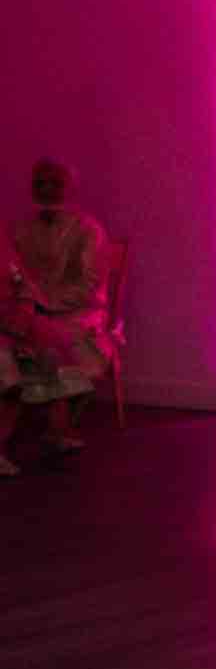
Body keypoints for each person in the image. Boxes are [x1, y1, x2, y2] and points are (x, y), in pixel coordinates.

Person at [0, 158, 114, 475]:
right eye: (40, 183)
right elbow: (13, 274)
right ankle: (51, 428)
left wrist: (46, 304)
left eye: (55, 182)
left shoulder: (88, 229)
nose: (47, 189)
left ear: (69, 187)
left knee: (50, 346)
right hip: (31, 309)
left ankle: (53, 429)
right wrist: (27, 303)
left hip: (79, 312)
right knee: (22, 343)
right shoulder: (20, 228)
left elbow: (89, 283)